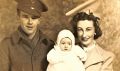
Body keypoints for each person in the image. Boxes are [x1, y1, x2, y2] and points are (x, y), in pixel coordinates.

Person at [0, 0, 54, 71]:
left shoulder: (49, 45)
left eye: (34, 18)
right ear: (18, 17)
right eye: (25, 17)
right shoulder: (6, 45)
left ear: (39, 20)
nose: (30, 22)